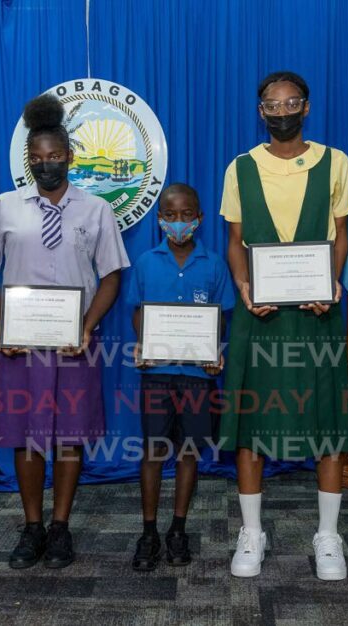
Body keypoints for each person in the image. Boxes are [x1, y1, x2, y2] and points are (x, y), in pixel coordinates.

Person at [220, 71, 348, 581]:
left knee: (325, 421)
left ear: (307, 106)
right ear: (261, 112)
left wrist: (331, 283)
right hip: (260, 314)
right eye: (272, 105)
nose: (282, 112)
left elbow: (342, 234)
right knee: (254, 422)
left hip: (317, 315)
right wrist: (243, 286)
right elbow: (235, 240)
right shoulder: (240, 167)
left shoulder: (335, 161)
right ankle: (252, 533)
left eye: (291, 102)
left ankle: (328, 535)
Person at [0, 93, 130, 570]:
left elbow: (112, 277)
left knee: (69, 437)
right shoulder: (3, 206)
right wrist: (0, 325)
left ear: (70, 156)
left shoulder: (96, 210)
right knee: (26, 437)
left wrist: (87, 326)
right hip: (20, 345)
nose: (46, 165)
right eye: (37, 159)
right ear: (28, 161)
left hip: (75, 342)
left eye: (54, 157)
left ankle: (61, 527)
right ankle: (31, 528)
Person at [126, 183, 234, 571]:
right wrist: (143, 344)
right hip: (156, 373)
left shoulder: (214, 264)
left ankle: (178, 529)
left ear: (200, 218)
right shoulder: (145, 262)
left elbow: (221, 316)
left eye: (186, 214)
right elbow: (138, 310)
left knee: (189, 453)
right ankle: (149, 531)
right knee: (154, 452)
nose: (178, 222)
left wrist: (214, 353)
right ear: (159, 219)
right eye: (169, 215)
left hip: (197, 378)